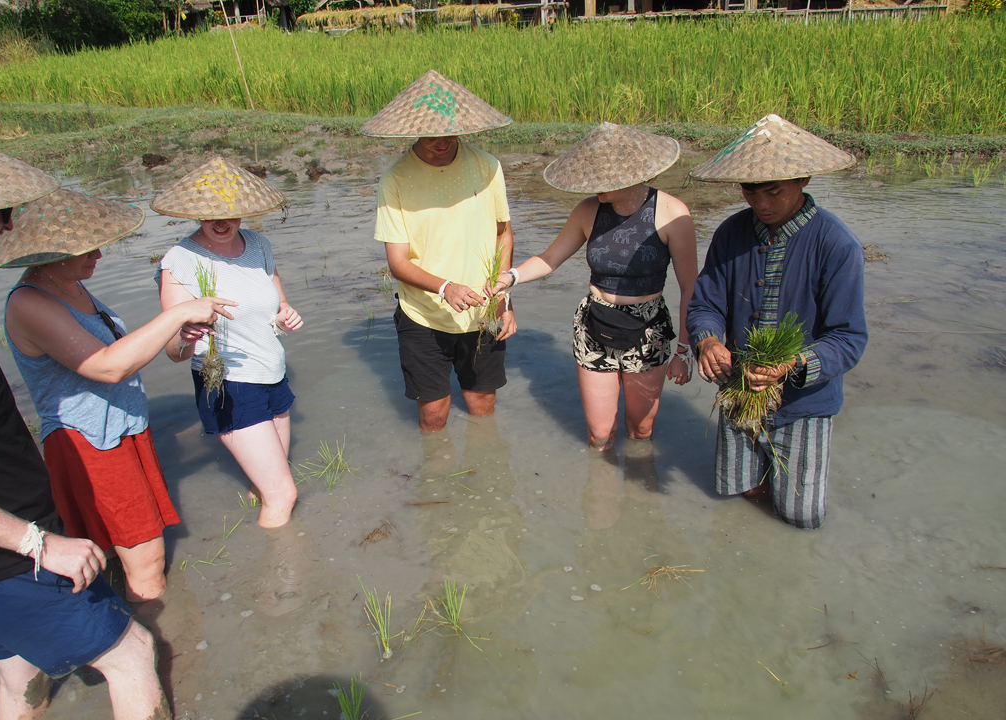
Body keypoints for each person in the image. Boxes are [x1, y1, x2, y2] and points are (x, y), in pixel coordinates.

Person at [0, 129, 172, 720]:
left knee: (19, 668)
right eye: (0, 210)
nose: (9, 225)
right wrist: (38, 543)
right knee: (132, 652)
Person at [0, 189, 235, 601]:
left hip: (121, 432)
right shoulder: (30, 302)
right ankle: (154, 632)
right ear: (51, 252)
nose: (99, 255)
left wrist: (179, 333)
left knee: (105, 557)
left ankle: (121, 620)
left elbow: (117, 349)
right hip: (91, 444)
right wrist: (179, 312)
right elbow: (108, 366)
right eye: (87, 248)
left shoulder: (69, 284)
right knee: (147, 566)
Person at [686, 114, 868, 529]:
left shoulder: (837, 245)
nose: (761, 203)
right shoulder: (731, 234)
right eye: (750, 190)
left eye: (774, 191)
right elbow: (705, 304)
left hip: (805, 403)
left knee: (801, 516)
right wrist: (708, 341)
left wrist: (792, 364)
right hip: (738, 387)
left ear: (803, 180)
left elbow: (848, 338)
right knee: (741, 492)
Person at [486, 122, 698, 450]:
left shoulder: (672, 213)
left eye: (602, 179)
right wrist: (510, 277)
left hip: (647, 329)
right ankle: (600, 481)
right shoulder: (588, 210)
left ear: (628, 172)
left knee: (641, 429)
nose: (593, 185)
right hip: (594, 326)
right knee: (600, 435)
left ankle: (640, 480)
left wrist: (684, 350)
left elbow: (690, 288)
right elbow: (550, 258)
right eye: (590, 178)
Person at [153, 156, 302, 529]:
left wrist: (285, 316)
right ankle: (286, 566)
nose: (221, 223)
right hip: (228, 383)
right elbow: (174, 351)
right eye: (210, 216)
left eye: (230, 214)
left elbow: (278, 305)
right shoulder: (180, 260)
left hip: (272, 373)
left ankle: (249, 545)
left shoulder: (259, 245)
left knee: (266, 486)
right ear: (196, 213)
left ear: (245, 210)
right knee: (283, 494)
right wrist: (186, 334)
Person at [366, 70, 516, 432]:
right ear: (413, 130)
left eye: (449, 131)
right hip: (423, 316)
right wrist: (445, 287)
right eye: (432, 133)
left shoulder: (487, 167)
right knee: (433, 416)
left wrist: (503, 298)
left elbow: (504, 235)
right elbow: (397, 262)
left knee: (483, 409)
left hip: (482, 311)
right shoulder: (395, 179)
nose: (442, 141)